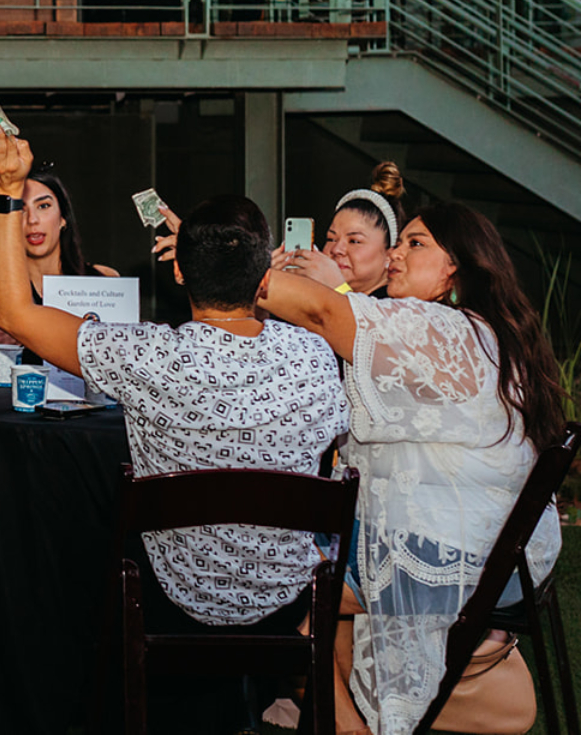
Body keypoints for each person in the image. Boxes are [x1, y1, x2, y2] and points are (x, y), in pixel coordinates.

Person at [183, 201, 565, 735]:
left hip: (458, 560)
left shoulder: (446, 331)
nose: (396, 257)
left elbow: (320, 313)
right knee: (302, 554)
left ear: (456, 267)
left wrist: (216, 263)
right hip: (499, 554)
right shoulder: (484, 332)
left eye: (416, 244)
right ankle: (329, 712)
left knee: (264, 581)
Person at [0, 126, 347, 630]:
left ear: (179, 274)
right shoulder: (314, 354)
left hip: (171, 601)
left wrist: (4, 191)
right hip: (289, 603)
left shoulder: (145, 353)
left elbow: (13, 312)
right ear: (266, 282)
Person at [0, 165, 117, 379]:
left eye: (43, 206)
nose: (32, 220)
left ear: (63, 218)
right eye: (21, 209)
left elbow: (126, 373)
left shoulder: (105, 280)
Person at [287, 161, 405, 298]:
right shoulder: (316, 298)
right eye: (331, 239)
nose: (336, 249)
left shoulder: (395, 309)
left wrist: (339, 289)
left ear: (389, 255)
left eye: (354, 241)